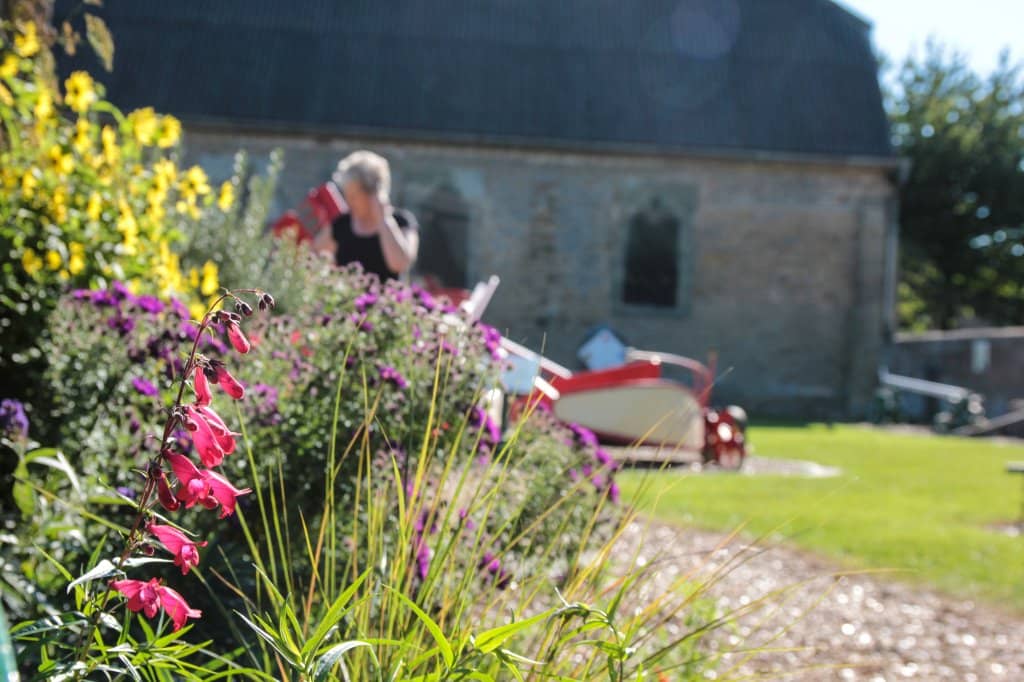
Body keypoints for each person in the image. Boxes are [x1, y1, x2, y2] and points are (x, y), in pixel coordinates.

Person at [313, 150, 419, 281]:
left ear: (373, 193)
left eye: (354, 196)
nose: (349, 201)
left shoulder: (402, 222)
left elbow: (399, 264)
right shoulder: (341, 224)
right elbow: (314, 254)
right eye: (347, 195)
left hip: (386, 300)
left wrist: (383, 219)